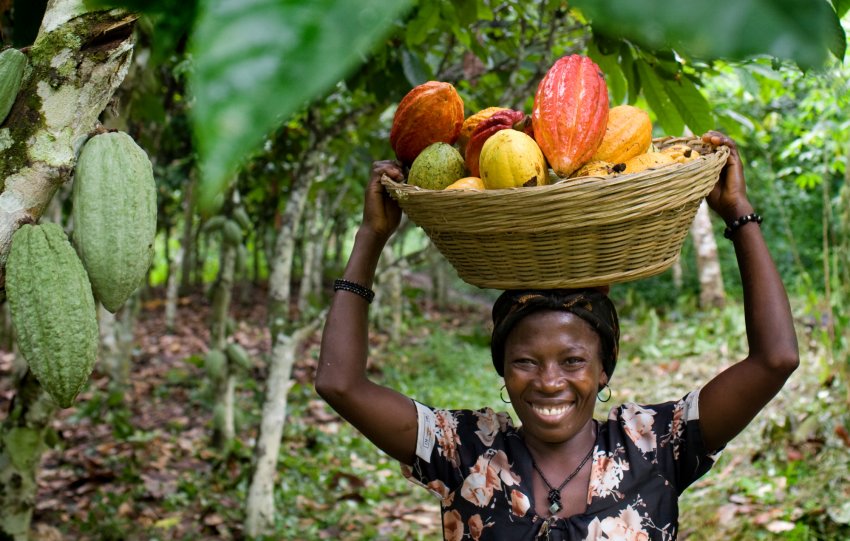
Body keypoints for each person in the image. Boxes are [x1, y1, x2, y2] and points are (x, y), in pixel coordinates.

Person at [315, 131, 799, 540]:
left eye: (572, 361)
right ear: (502, 368)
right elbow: (341, 385)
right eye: (526, 361)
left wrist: (738, 213)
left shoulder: (654, 446)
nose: (549, 381)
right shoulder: (465, 453)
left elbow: (775, 360)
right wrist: (371, 236)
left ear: (604, 366)